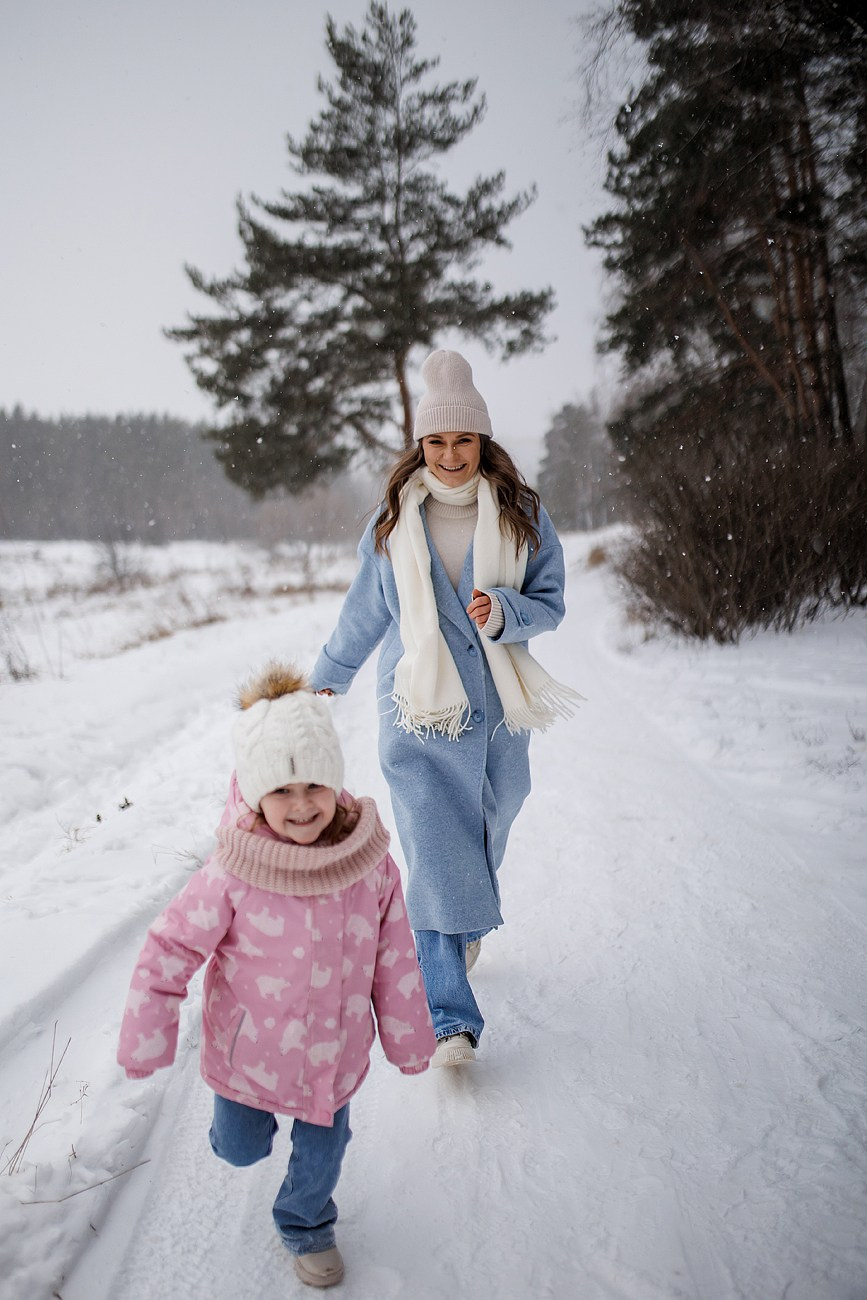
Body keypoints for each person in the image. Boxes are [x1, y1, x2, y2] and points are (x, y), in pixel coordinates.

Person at [117, 664, 436, 1290]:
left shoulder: (367, 864)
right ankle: (236, 1129)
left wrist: (409, 1039)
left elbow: (395, 957)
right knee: (240, 1148)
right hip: (247, 1056)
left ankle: (307, 1225)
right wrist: (146, 1033)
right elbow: (171, 947)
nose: (300, 805)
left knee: (322, 1154)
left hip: (331, 1057)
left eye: (315, 784)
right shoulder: (234, 870)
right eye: (281, 790)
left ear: (336, 782)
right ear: (256, 793)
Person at [310, 350, 579, 1070]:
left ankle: (460, 924)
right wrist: (327, 677)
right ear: (419, 446)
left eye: (463, 440)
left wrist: (507, 611)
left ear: (482, 442)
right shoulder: (392, 520)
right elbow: (365, 612)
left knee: (494, 816)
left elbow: (550, 603)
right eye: (436, 442)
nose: (450, 455)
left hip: (495, 707)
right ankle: (449, 1020)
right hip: (418, 709)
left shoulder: (523, 515)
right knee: (432, 850)